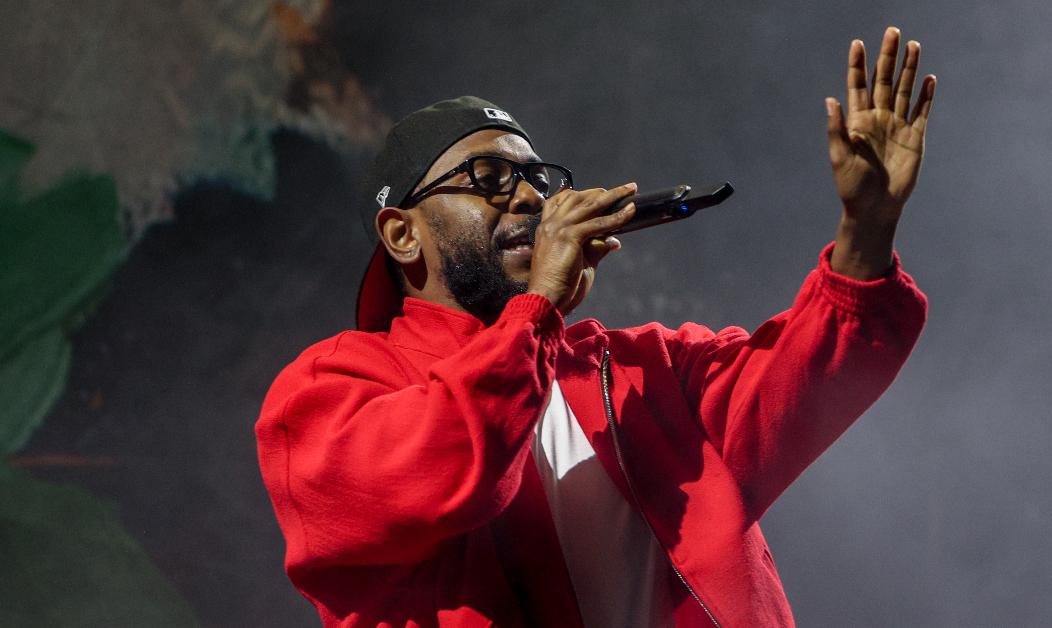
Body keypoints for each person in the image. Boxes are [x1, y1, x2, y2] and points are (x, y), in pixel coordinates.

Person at [256, 26, 935, 628]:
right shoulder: (328, 392)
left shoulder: (645, 373)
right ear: (403, 234)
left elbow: (816, 373)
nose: (529, 197)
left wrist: (866, 228)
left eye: (536, 179)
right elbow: (448, 472)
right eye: (488, 178)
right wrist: (539, 309)